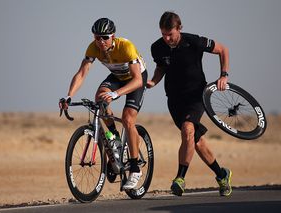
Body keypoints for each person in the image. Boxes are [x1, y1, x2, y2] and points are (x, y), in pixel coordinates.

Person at [147, 11, 232, 196]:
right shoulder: (157, 47)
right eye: (163, 34)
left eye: (170, 34)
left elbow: (223, 50)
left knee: (187, 130)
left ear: (179, 28)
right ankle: (222, 174)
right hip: (174, 99)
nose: (167, 38)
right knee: (195, 141)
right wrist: (153, 81)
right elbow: (161, 67)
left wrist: (223, 76)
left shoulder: (193, 41)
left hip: (196, 95)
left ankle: (180, 179)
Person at [59, 18, 148, 190]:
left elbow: (137, 81)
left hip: (135, 79)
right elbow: (82, 73)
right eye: (97, 37)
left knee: (128, 119)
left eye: (105, 37)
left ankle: (135, 167)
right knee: (100, 97)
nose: (101, 41)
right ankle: (113, 137)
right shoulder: (93, 48)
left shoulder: (126, 47)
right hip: (117, 76)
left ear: (113, 36)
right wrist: (68, 96)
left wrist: (116, 93)